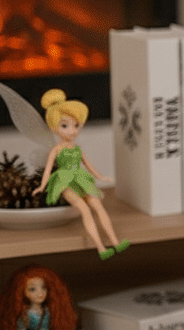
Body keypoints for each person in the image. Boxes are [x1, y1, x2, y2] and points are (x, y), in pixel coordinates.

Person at [32, 88, 129, 259]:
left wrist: (100, 177)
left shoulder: (77, 148)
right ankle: (100, 248)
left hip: (81, 179)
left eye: (76, 125)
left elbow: (88, 165)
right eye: (65, 125)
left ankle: (115, 241)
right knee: (84, 209)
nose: (72, 130)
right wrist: (42, 186)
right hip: (64, 181)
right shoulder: (56, 149)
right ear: (54, 127)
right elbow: (48, 169)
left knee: (98, 206)